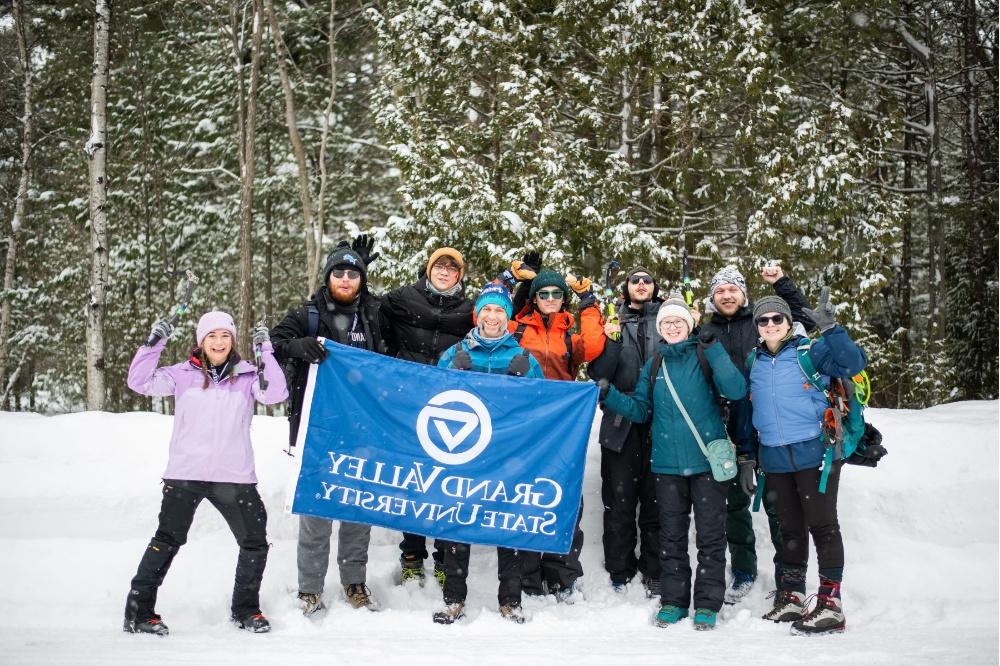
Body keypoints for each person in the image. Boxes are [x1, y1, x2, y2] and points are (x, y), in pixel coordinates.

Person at [123, 311, 288, 636]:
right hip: (186, 473)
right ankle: (138, 613)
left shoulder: (247, 376)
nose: (218, 341)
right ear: (201, 341)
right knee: (167, 540)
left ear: (232, 340)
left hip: (234, 475)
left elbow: (276, 394)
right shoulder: (180, 374)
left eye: (225, 335)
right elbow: (138, 381)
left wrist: (265, 350)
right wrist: (154, 343)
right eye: (211, 336)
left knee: (254, 542)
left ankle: (245, 610)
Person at [598, 296, 746, 631]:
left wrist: (715, 350)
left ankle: (707, 604)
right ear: (660, 328)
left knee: (710, 537)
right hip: (666, 467)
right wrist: (610, 396)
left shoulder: (703, 355)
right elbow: (640, 410)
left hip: (707, 463)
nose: (673, 326)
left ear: (689, 325)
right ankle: (674, 601)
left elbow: (736, 390)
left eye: (679, 321)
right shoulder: (654, 365)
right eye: (666, 323)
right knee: (671, 537)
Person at [271, 239, 392, 615]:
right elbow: (275, 342)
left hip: (364, 429)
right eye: (338, 272)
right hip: (319, 428)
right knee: (317, 510)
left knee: (358, 508)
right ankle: (309, 589)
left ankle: (354, 583)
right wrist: (298, 346)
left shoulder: (374, 313)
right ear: (327, 278)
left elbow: (419, 317)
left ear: (362, 278)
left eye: (352, 272)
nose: (344, 278)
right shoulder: (309, 313)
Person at [746, 291, 866, 635]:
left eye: (777, 318)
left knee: (823, 525)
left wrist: (830, 328)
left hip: (817, 454)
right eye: (763, 320)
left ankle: (831, 603)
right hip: (774, 457)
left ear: (788, 322)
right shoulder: (753, 360)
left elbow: (853, 363)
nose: (770, 324)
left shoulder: (810, 352)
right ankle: (793, 594)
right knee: (789, 529)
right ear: (757, 326)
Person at [698, 264, 816, 604]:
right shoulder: (706, 332)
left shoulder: (764, 323)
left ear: (743, 294)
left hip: (770, 427)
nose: (726, 295)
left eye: (732, 289)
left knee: (781, 509)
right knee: (734, 505)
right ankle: (745, 570)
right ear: (713, 297)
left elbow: (801, 317)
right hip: (727, 429)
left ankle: (788, 578)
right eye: (720, 290)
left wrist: (781, 283)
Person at [432, 283, 544, 625]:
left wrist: (525, 385)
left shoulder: (524, 357)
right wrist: (454, 376)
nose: (493, 317)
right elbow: (434, 402)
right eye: (487, 310)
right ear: (477, 314)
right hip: (464, 455)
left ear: (507, 317)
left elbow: (542, 409)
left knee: (506, 525)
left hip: (507, 459)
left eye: (499, 311)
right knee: (457, 525)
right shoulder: (454, 355)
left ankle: (510, 600)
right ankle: (453, 599)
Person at [506, 260, 606, 602]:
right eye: (543, 293)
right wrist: (507, 280)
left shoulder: (569, 333)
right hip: (524, 425)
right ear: (534, 298)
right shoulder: (514, 328)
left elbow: (593, 346)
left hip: (562, 426)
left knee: (563, 498)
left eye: (556, 294)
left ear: (564, 299)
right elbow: (483, 316)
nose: (550, 298)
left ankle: (562, 575)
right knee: (525, 497)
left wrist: (589, 302)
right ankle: (527, 576)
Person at [381, 247, 474, 586]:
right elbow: (368, 310)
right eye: (440, 266)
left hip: (449, 407)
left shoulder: (468, 310)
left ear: (459, 276)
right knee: (414, 482)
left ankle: (443, 557)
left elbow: (499, 319)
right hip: (409, 402)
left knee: (446, 484)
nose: (445, 273)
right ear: (429, 269)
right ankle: (411, 554)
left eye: (453, 269)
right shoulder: (405, 298)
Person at [587, 267, 664, 597]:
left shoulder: (670, 318)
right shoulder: (613, 320)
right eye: (636, 280)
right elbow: (599, 373)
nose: (642, 285)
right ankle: (619, 569)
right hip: (620, 420)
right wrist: (612, 340)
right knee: (618, 500)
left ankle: (654, 568)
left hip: (662, 420)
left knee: (657, 500)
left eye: (647, 280)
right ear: (627, 288)